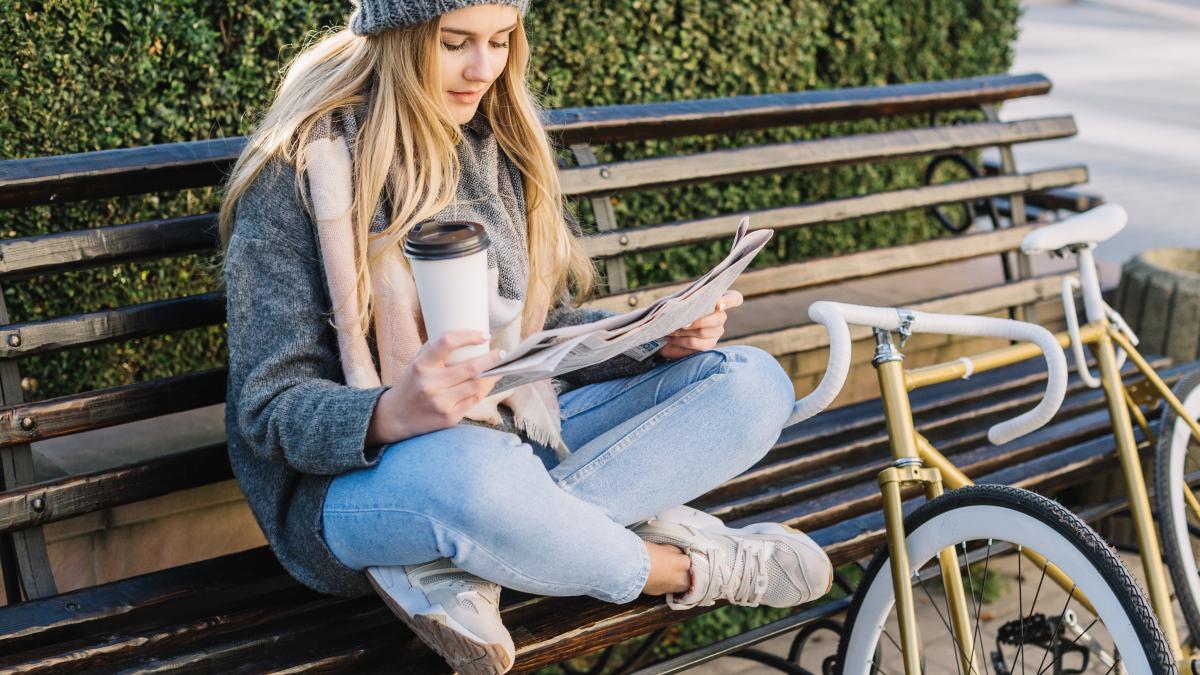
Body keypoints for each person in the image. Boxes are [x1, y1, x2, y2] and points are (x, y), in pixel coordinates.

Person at [217, 1, 832, 672]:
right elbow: (268, 407)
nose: (483, 68)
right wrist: (392, 412)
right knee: (477, 478)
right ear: (396, 37)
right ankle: (684, 565)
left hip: (516, 438)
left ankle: (471, 556)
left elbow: (533, 335)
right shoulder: (300, 170)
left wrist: (655, 338)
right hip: (363, 488)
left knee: (750, 384)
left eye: (501, 40)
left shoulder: (491, 144)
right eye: (455, 43)